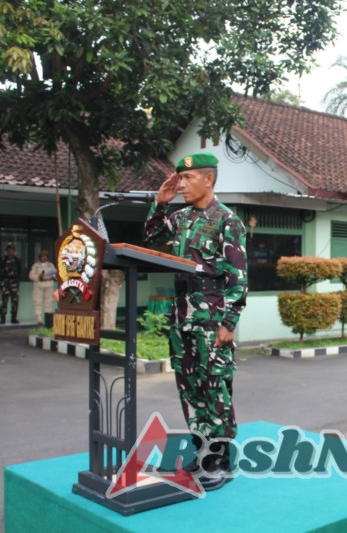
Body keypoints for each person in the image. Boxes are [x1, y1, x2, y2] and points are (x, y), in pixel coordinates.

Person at [143, 151, 248, 491]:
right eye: (180, 179)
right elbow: (152, 239)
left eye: (187, 179)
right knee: (189, 389)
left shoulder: (227, 221)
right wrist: (160, 204)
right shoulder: (181, 217)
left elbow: (238, 278)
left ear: (209, 179)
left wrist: (228, 322)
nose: (181, 184)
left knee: (214, 387)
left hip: (212, 320)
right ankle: (201, 454)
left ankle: (220, 461)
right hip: (182, 321)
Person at [29, 249, 57, 326]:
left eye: (45, 256)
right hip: (39, 284)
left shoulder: (50, 265)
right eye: (42, 256)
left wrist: (54, 275)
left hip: (48, 284)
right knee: (38, 302)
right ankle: (39, 319)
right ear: (40, 257)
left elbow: (55, 274)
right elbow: (31, 276)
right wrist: (39, 276)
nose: (44, 258)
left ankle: (48, 320)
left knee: (49, 302)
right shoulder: (36, 265)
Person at [0, 243, 22, 324]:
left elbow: (20, 271)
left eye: (12, 250)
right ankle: (3, 318)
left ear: (14, 251)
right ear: (7, 251)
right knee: (4, 300)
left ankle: (14, 318)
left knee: (15, 300)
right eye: (9, 250)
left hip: (14, 282)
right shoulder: (2, 260)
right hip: (5, 282)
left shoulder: (17, 260)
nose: (11, 251)